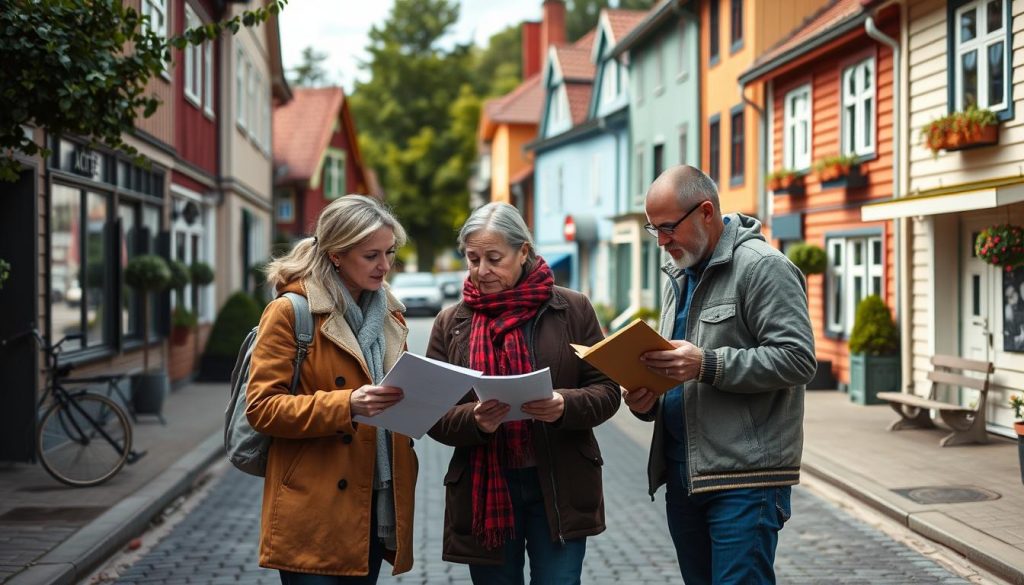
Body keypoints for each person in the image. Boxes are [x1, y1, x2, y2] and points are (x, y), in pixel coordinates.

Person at [623, 165, 816, 585]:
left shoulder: (763, 267)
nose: (661, 241)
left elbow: (799, 359)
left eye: (668, 228)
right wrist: (648, 400)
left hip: (745, 480)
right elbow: (675, 368)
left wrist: (707, 364)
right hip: (683, 475)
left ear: (706, 211)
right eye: (653, 229)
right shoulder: (679, 275)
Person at [427, 202, 620, 585]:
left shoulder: (572, 309)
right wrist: (474, 419)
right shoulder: (451, 322)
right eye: (473, 258)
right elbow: (433, 413)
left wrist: (564, 405)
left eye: (495, 258)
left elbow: (608, 389)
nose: (482, 271)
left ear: (524, 252)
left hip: (560, 482)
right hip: (486, 491)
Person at [246, 195, 417, 584]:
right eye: (371, 255)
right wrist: (348, 405)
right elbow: (262, 408)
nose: (384, 266)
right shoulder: (291, 311)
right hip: (313, 504)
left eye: (389, 253)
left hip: (373, 502)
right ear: (337, 254)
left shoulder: (390, 313)